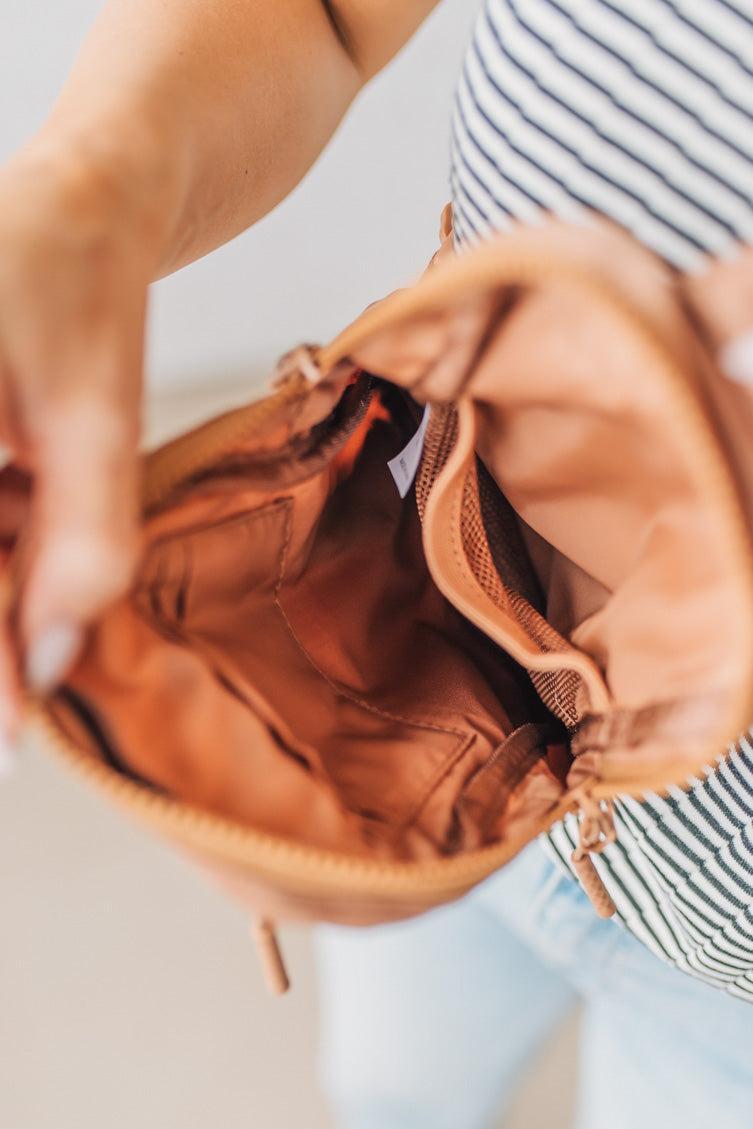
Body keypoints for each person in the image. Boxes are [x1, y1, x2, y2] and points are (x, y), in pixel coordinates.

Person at [1, 0, 752, 1125]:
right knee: (394, 1089)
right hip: (414, 764)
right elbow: (330, 18)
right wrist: (97, 184)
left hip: (727, 972)